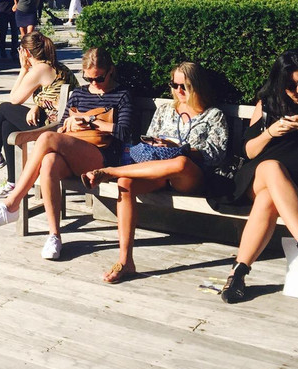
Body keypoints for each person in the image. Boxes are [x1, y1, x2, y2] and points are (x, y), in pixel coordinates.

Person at [217, 50, 298, 303]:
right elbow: (248, 151)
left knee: (269, 199)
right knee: (272, 167)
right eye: (291, 86)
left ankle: (238, 274)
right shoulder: (267, 104)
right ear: (279, 82)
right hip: (257, 177)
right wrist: (270, 132)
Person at [82, 61, 229, 283]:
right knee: (125, 182)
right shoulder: (165, 110)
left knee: (181, 162)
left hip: (191, 176)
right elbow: (148, 140)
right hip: (159, 171)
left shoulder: (213, 115)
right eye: (174, 85)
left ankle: (110, 171)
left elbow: (216, 155)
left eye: (184, 86)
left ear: (197, 86)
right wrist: (157, 143)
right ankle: (125, 261)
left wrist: (181, 148)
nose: (178, 91)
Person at [0, 47, 125, 261]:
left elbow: (126, 132)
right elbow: (60, 127)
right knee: (48, 162)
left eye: (99, 78)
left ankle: (12, 203)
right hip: (74, 152)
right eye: (88, 78)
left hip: (103, 157)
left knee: (46, 138)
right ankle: (54, 236)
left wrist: (91, 121)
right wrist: (65, 122)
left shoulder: (121, 95)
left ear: (110, 71)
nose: (94, 83)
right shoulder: (79, 94)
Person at [0, 33, 79, 193]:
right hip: (60, 121)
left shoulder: (39, 69)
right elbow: (52, 97)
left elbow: (14, 99)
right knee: (7, 123)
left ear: (26, 52)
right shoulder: (57, 66)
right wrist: (36, 106)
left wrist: (23, 69)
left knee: (4, 108)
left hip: (52, 128)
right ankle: (12, 181)